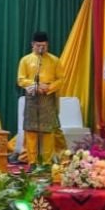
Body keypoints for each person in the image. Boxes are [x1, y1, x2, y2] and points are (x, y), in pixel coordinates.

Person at [17, 31, 64, 166]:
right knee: (31, 131)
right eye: (38, 46)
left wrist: (48, 88)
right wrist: (35, 85)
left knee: (48, 131)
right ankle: (32, 162)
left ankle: (47, 164)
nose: (41, 48)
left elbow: (61, 79)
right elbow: (21, 79)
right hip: (32, 98)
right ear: (32, 44)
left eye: (44, 46)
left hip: (48, 98)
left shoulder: (55, 60)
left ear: (47, 45)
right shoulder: (25, 60)